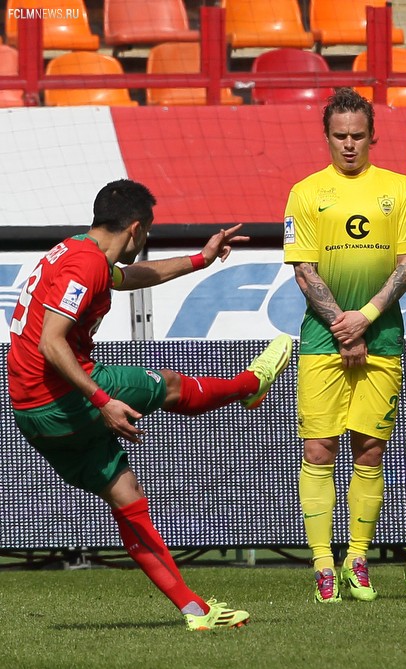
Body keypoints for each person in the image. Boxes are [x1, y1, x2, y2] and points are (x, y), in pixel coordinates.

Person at [7, 179, 292, 630]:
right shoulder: (86, 267)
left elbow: (135, 277)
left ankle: (195, 611)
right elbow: (51, 342)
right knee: (172, 385)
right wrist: (102, 400)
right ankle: (250, 385)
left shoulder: (78, 252)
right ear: (137, 230)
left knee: (127, 496)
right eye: (149, 235)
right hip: (65, 398)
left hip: (31, 414)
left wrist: (201, 258)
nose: (146, 244)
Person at [283, 88, 406, 603]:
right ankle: (323, 564)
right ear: (327, 137)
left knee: (370, 449)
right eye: (340, 136)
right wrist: (341, 327)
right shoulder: (305, 192)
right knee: (319, 448)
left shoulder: (399, 189)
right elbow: (304, 269)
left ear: (372, 137)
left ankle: (358, 559)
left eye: (358, 136)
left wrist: (363, 319)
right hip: (322, 338)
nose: (349, 145)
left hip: (383, 335)